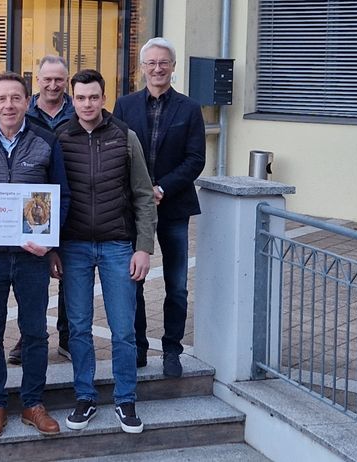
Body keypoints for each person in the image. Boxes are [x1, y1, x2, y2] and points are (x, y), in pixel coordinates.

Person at [0, 71, 71, 439]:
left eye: (16, 98)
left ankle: (33, 403)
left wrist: (51, 242)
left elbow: (61, 196)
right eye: (2, 98)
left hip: (31, 256)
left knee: (35, 331)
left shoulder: (46, 141)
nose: (9, 105)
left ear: (28, 101)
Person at [53, 69, 156, 434]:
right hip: (75, 247)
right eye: (80, 98)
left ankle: (125, 400)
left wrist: (143, 248)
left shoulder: (125, 138)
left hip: (117, 245)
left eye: (93, 97)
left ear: (103, 97)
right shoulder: (60, 138)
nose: (86, 104)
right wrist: (53, 248)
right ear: (72, 98)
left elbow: (144, 196)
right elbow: (50, 197)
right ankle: (85, 396)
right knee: (78, 327)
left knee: (123, 329)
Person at [113, 37, 205, 378]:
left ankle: (171, 349)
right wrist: (141, 191)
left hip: (174, 206)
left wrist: (161, 187)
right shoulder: (124, 105)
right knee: (133, 280)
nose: (157, 68)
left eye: (163, 62)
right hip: (135, 209)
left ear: (173, 66)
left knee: (176, 285)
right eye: (150, 62)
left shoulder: (189, 109)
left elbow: (196, 159)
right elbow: (117, 151)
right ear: (141, 67)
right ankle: (138, 347)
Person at [9, 54, 76, 365]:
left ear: (67, 81)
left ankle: (67, 335)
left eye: (59, 79)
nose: (53, 85)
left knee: (68, 274)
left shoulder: (79, 111)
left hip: (71, 202)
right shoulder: (25, 111)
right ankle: (29, 334)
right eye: (47, 79)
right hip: (30, 206)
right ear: (37, 81)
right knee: (32, 275)